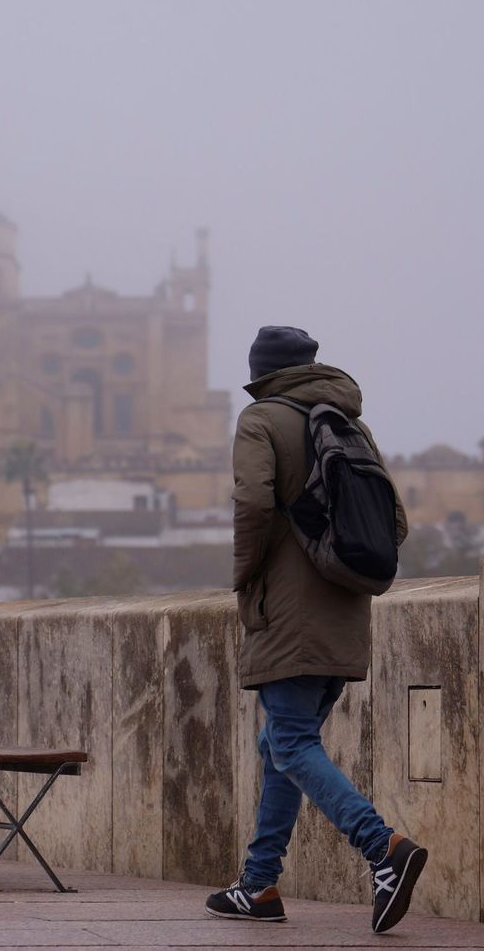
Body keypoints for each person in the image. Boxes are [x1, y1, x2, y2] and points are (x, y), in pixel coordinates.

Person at [204, 325, 426, 932]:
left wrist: (249, 573)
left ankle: (382, 847)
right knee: (280, 743)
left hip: (288, 613)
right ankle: (259, 886)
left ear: (261, 373)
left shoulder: (261, 422)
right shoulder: (348, 423)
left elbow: (252, 503)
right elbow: (395, 523)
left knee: (292, 741)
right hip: (345, 610)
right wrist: (333, 557)